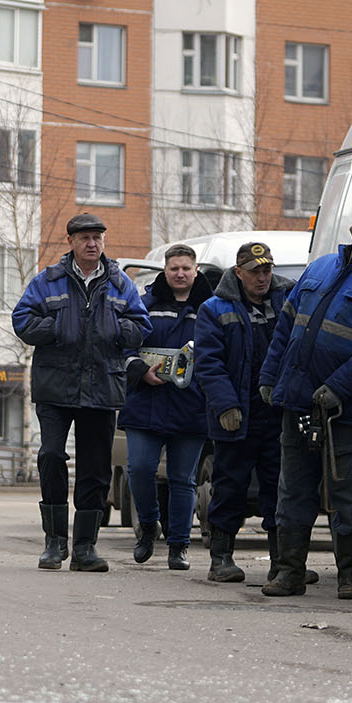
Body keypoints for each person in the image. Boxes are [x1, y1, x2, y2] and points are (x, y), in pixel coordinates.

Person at [258, 204, 352, 599]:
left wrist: (338, 388)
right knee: (293, 488)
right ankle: (289, 572)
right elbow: (286, 327)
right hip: (298, 402)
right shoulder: (320, 267)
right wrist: (269, 378)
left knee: (348, 490)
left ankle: (349, 578)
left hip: (344, 410)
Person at [12, 212, 150, 572]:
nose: (92, 244)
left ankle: (86, 548)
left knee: (95, 468)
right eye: (85, 238)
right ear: (70, 242)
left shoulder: (121, 285)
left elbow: (141, 326)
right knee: (52, 456)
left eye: (98, 238)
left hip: (103, 384)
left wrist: (116, 329)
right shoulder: (48, 280)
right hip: (55, 385)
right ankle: (54, 543)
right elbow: (22, 320)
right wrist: (58, 325)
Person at [194, 241, 314, 586]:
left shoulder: (287, 302)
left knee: (281, 488)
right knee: (230, 485)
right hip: (237, 413)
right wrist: (225, 406)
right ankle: (221, 558)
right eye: (255, 271)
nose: (262, 278)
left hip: (277, 412)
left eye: (267, 270)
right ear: (238, 273)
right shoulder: (214, 309)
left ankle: (284, 562)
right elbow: (209, 363)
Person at [119, 243, 212, 570]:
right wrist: (140, 371)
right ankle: (148, 526)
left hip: (191, 405)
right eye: (174, 268)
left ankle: (178, 546)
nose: (181, 273)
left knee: (182, 480)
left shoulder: (211, 308)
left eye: (186, 268)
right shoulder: (144, 305)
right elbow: (123, 347)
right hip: (146, 402)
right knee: (140, 469)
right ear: (165, 271)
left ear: (196, 270)